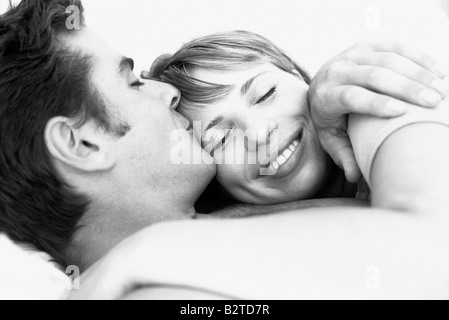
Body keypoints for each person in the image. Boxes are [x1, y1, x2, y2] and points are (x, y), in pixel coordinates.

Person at [0, 0, 447, 299]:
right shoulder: (167, 293)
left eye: (265, 93)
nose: (165, 94)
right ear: (80, 143)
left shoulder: (228, 226)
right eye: (133, 83)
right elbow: (432, 256)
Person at [147, 30, 449, 206]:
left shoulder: (364, 103)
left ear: (301, 76)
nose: (258, 134)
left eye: (265, 94)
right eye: (221, 140)